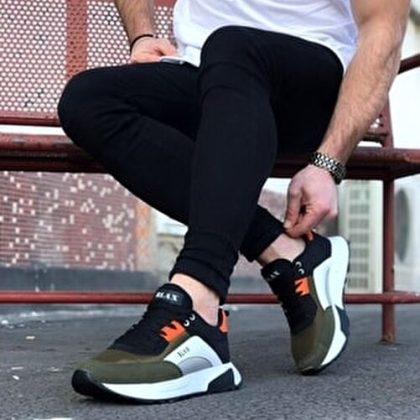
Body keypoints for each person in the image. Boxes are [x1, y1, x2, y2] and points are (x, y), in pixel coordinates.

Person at [58, 0, 409, 403]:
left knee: (233, 46)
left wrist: (328, 164)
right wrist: (142, 34)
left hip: (311, 83)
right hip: (206, 74)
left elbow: (384, 28)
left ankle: (198, 308)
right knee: (88, 100)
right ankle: (286, 252)